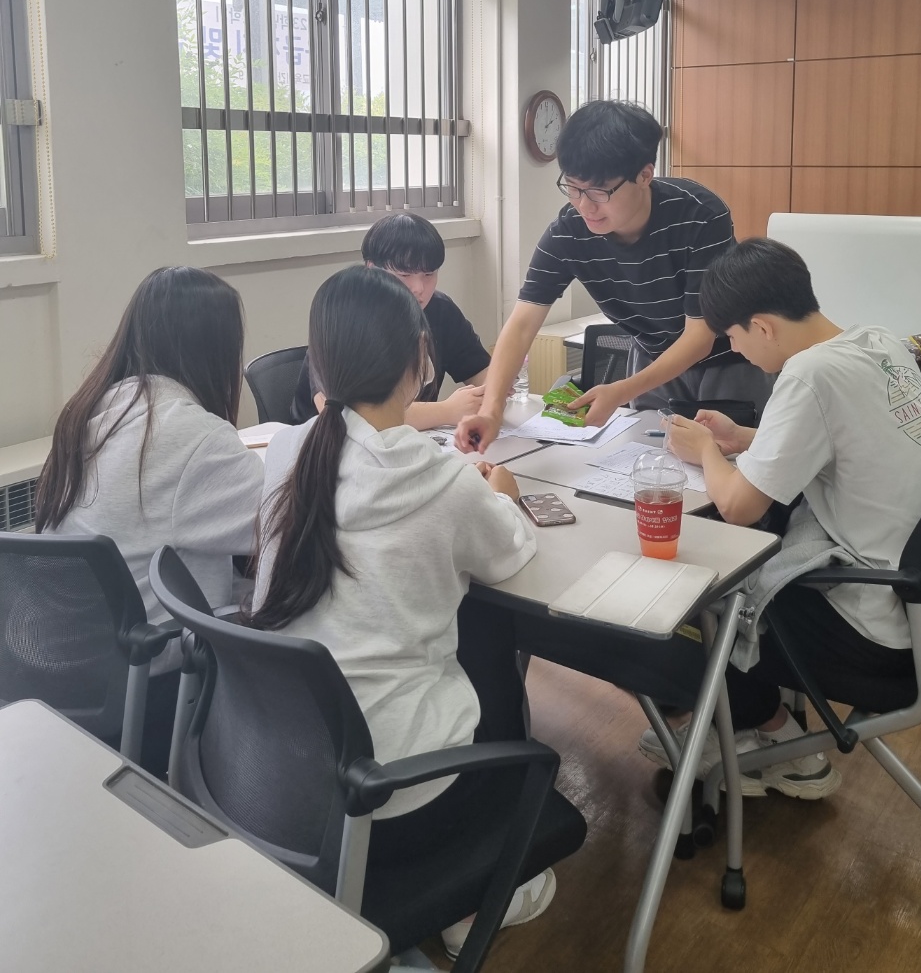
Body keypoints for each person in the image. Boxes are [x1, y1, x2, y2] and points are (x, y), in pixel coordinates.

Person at [254, 266, 554, 956]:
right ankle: (470, 891)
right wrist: (503, 493)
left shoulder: (288, 449)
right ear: (422, 361)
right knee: (485, 641)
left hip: (280, 781)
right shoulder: (443, 479)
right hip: (398, 801)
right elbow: (511, 553)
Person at [637, 237, 921, 797]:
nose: (736, 351)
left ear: (762, 327)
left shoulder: (807, 375)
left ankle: (767, 735)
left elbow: (738, 506)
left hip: (878, 639)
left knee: (705, 598)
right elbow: (841, 440)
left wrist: (706, 451)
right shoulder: (875, 342)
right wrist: (746, 438)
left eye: (734, 337)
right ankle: (753, 727)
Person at [34, 266, 264, 777]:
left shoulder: (92, 410)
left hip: (62, 680)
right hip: (149, 688)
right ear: (214, 350)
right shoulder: (193, 437)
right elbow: (290, 519)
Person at [456, 100, 769, 454]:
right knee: (649, 462)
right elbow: (522, 323)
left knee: (731, 463)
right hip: (652, 360)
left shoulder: (700, 216)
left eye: (600, 191)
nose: (585, 205)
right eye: (573, 187)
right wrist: (492, 410)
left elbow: (700, 337)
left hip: (729, 359)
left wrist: (621, 390)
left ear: (645, 175)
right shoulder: (568, 233)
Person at [290, 213, 491, 429]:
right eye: (404, 275)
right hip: (328, 443)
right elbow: (350, 416)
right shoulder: (345, 316)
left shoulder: (440, 310)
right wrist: (446, 411)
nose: (419, 288)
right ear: (371, 269)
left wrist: (493, 391)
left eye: (428, 274)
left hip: (409, 440)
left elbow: (485, 377)